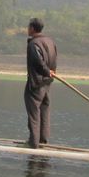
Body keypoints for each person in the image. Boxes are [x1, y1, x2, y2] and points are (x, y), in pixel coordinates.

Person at [24, 17, 57, 148]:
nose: (27, 29)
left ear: (32, 28)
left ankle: (34, 143)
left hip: (36, 83)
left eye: (28, 27)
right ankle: (42, 140)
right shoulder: (50, 41)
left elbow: (38, 62)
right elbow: (54, 60)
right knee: (44, 110)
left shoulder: (34, 44)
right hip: (47, 83)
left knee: (33, 112)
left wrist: (46, 71)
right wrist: (51, 73)